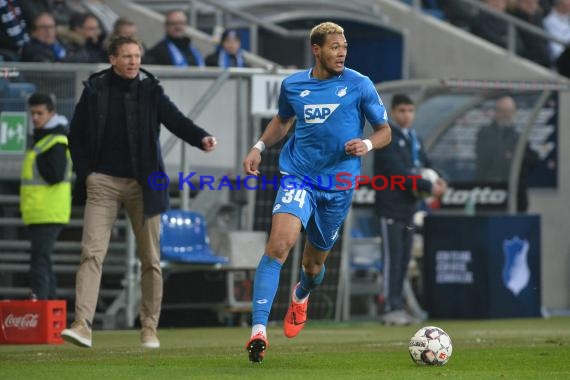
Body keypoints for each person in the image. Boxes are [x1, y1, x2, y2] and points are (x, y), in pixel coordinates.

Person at [242, 21, 391, 363]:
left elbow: (385, 131)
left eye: (345, 47)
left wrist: (366, 143)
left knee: (312, 266)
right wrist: (259, 147)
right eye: (335, 47)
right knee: (278, 245)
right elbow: (282, 120)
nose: (342, 52)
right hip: (299, 177)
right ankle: (259, 331)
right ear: (317, 49)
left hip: (338, 186)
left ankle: (302, 294)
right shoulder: (293, 85)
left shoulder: (359, 84)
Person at [60, 36, 217, 349]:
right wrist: (87, 173)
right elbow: (74, 136)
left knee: (151, 259)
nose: (133, 62)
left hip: (144, 184)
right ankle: (82, 324)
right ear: (113, 59)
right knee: (91, 253)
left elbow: (175, 120)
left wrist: (201, 138)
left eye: (137, 56)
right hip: (102, 182)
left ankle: (149, 328)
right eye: (127, 56)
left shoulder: (151, 90)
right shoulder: (94, 90)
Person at [373, 94, 447, 326]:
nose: (406, 115)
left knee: (404, 260)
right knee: (392, 259)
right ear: (393, 112)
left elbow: (426, 164)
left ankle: (398, 305)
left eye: (410, 110)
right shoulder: (387, 138)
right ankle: (388, 308)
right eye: (402, 110)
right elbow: (398, 174)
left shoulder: (413, 138)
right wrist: (429, 186)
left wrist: (440, 180)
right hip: (390, 209)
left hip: (409, 209)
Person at [20, 92, 71, 300]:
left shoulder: (54, 141)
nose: (35, 118)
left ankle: (42, 308)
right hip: (41, 211)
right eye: (32, 113)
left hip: (48, 211)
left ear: (51, 113)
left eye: (39, 113)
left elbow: (55, 175)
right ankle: (48, 312)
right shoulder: (44, 139)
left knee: (39, 263)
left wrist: (41, 158)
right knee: (43, 262)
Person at [475, 95, 539, 212]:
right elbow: (487, 158)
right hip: (491, 194)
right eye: (503, 111)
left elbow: (533, 160)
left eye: (510, 111)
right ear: (496, 112)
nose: (506, 115)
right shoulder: (485, 133)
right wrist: (508, 156)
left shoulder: (518, 137)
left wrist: (514, 157)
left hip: (515, 194)